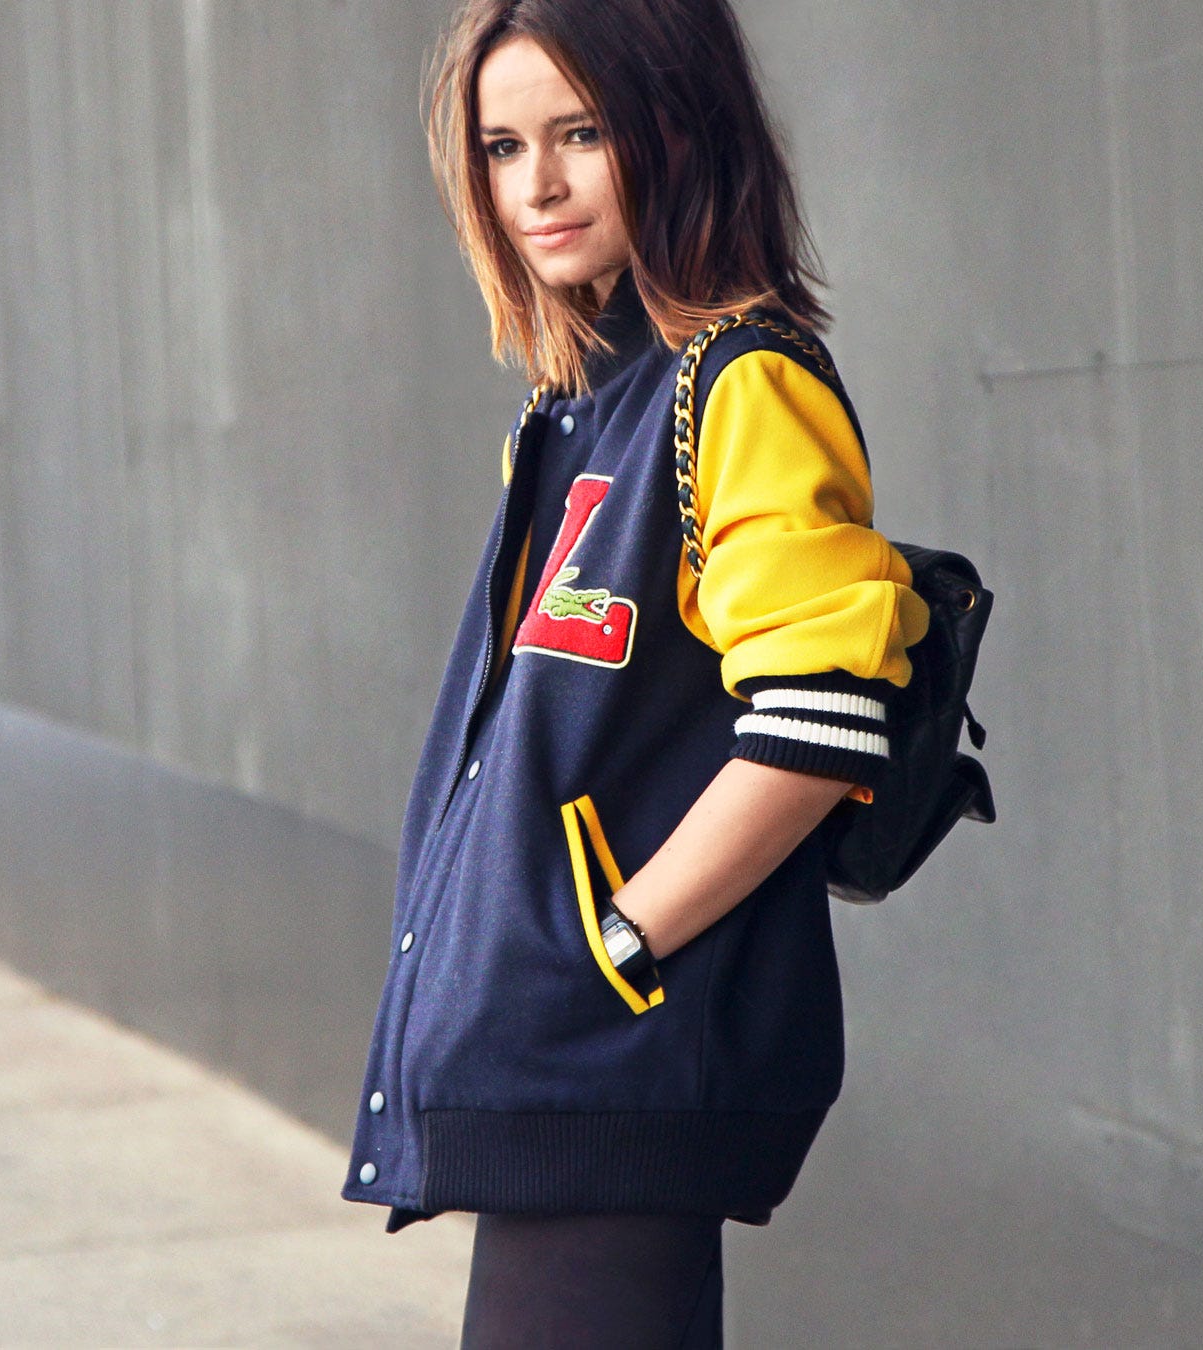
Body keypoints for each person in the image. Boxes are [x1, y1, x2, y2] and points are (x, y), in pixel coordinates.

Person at [342, 0, 930, 1343]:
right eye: (503, 147)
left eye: (582, 133)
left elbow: (822, 722)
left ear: (677, 126)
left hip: (618, 1061)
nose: (535, 186)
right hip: (560, 1067)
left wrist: (609, 945)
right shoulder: (573, 408)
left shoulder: (738, 385)